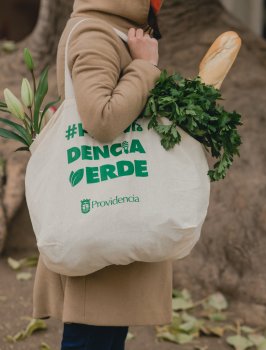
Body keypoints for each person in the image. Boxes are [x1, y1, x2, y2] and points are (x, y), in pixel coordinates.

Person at [31, 1, 172, 349]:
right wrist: (143, 66)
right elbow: (102, 119)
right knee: (91, 338)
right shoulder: (96, 33)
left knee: (103, 337)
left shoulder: (115, 28)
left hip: (112, 210)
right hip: (103, 206)